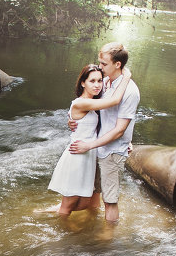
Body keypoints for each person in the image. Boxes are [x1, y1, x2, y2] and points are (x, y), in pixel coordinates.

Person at [68, 42, 140, 223]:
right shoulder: (105, 83)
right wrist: (73, 120)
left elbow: (119, 129)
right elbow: (93, 111)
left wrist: (124, 140)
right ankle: (91, 227)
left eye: (104, 64)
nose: (100, 67)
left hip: (111, 152)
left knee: (110, 200)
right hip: (97, 149)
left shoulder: (130, 91)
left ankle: (107, 243)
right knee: (92, 195)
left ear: (118, 65)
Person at [46, 63, 129, 216]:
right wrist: (127, 77)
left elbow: (106, 122)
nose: (97, 85)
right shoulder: (82, 103)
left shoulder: (94, 104)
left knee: (84, 202)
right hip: (78, 155)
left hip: (89, 155)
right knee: (69, 203)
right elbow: (115, 100)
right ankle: (61, 234)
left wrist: (126, 140)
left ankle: (51, 212)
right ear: (83, 83)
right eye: (92, 81)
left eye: (99, 81)